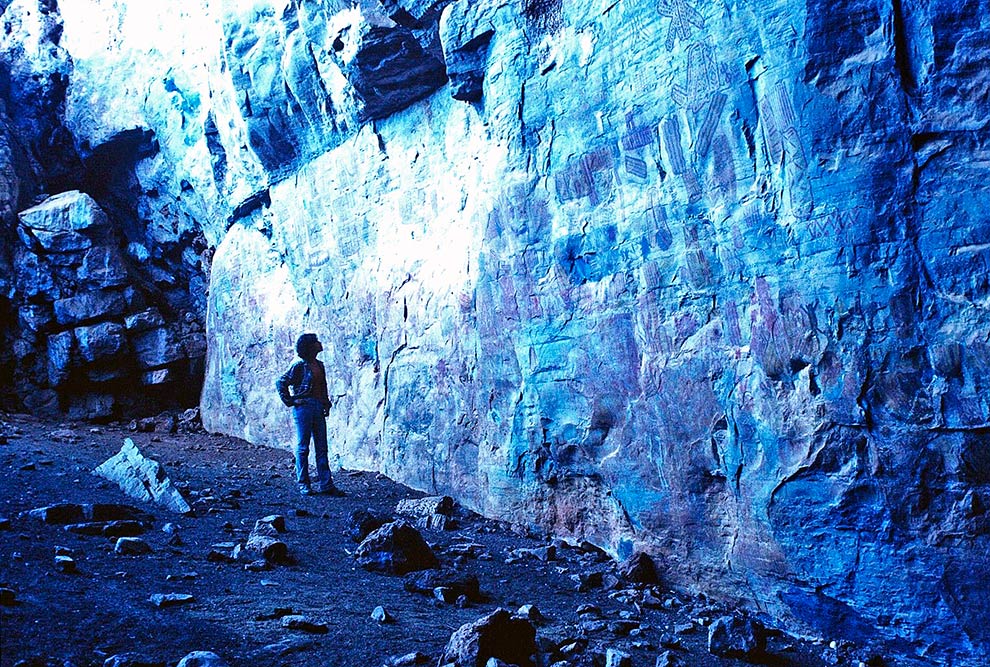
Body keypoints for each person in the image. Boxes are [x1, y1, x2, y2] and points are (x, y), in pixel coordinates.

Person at [276, 333, 344, 496]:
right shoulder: (299, 365)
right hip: (304, 407)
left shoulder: (319, 365)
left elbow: (322, 386)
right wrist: (291, 401)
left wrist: (325, 403)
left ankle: (326, 484)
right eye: (316, 342)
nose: (319, 343)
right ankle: (304, 484)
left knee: (322, 447)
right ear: (310, 347)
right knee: (303, 447)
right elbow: (281, 382)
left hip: (316, 407)